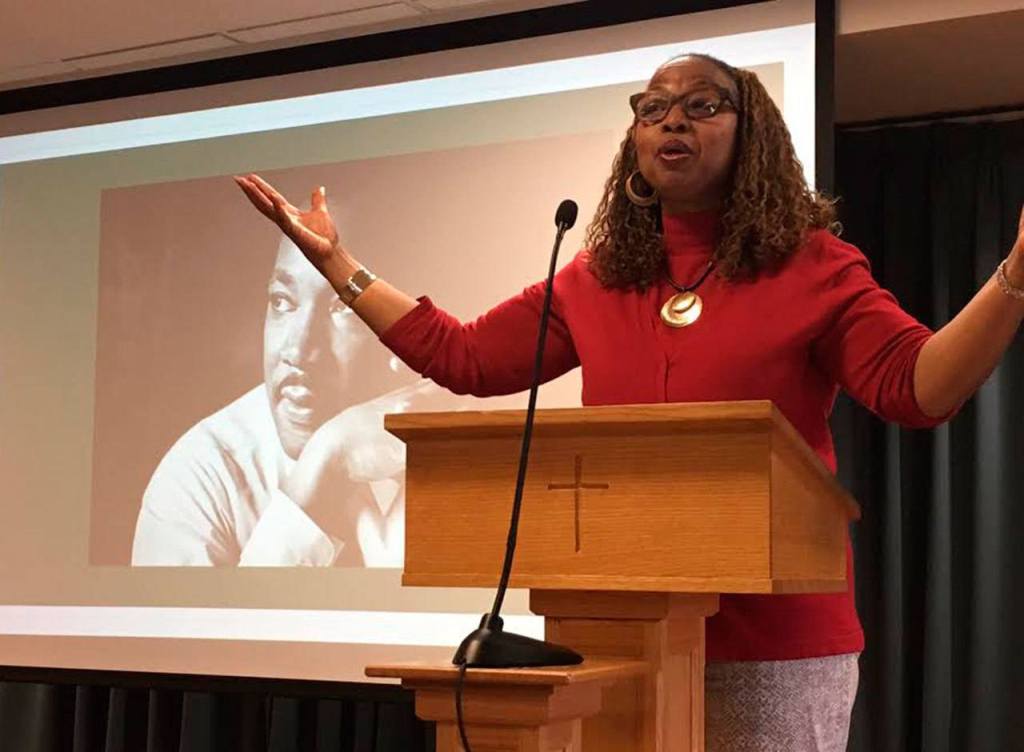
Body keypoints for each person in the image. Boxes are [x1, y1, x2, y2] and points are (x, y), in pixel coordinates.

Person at [234, 53, 1024, 750]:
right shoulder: (598, 278)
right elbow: (463, 356)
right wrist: (342, 268)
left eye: (703, 103)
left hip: (773, 648)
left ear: (753, 136)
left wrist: (1015, 275)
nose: (672, 118)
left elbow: (919, 387)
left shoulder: (812, 266)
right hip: (616, 638)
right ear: (636, 143)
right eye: (653, 107)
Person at [132, 234, 453, 567]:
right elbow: (188, 621)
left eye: (343, 307)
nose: (298, 350)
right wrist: (324, 460)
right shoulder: (203, 474)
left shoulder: (467, 453)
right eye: (282, 301)